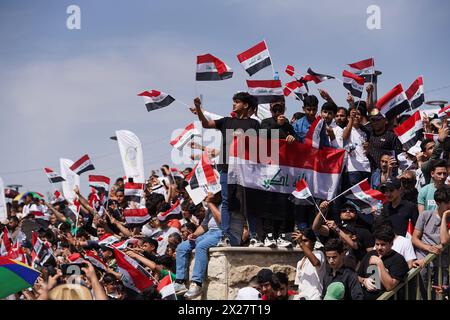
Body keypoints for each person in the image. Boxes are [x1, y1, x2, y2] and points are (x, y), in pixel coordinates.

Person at [193, 92, 260, 247]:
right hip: (226, 168)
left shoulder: (254, 124)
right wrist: (198, 108)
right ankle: (225, 235)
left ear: (246, 105)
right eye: (233, 101)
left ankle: (254, 235)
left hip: (246, 169)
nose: (233, 104)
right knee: (226, 201)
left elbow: (260, 147)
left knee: (249, 202)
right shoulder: (226, 121)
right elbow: (205, 124)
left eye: (237, 102)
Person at [174, 192, 222, 299]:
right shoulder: (211, 206)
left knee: (201, 246)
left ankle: (197, 284)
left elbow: (222, 221)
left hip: (221, 232)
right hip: (209, 233)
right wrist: (194, 234)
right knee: (181, 248)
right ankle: (180, 281)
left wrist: (210, 204)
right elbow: (204, 225)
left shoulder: (225, 204)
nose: (205, 196)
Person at [413, 185, 450, 299]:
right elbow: (414, 238)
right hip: (424, 263)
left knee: (439, 295)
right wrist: (428, 248)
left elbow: (444, 241)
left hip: (441, 264)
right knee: (422, 295)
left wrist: (444, 217)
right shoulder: (425, 215)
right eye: (447, 202)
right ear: (438, 203)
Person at [357, 225, 409, 300]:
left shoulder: (398, 260)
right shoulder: (370, 254)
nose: (379, 248)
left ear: (391, 244)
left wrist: (379, 263)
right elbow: (357, 276)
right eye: (377, 244)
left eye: (383, 244)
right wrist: (364, 281)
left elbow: (390, 286)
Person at [341, 104, 371, 189]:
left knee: (364, 197)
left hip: (366, 168)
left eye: (358, 114)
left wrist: (367, 149)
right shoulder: (345, 130)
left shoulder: (365, 132)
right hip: (352, 169)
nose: (356, 116)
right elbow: (344, 137)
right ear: (348, 117)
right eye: (353, 114)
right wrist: (351, 119)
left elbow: (366, 152)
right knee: (353, 197)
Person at [291, 228, 326, 300]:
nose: (302, 243)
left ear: (313, 242)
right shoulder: (300, 262)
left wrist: (301, 243)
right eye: (301, 240)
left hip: (315, 297)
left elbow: (315, 262)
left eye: (305, 241)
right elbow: (299, 286)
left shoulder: (318, 254)